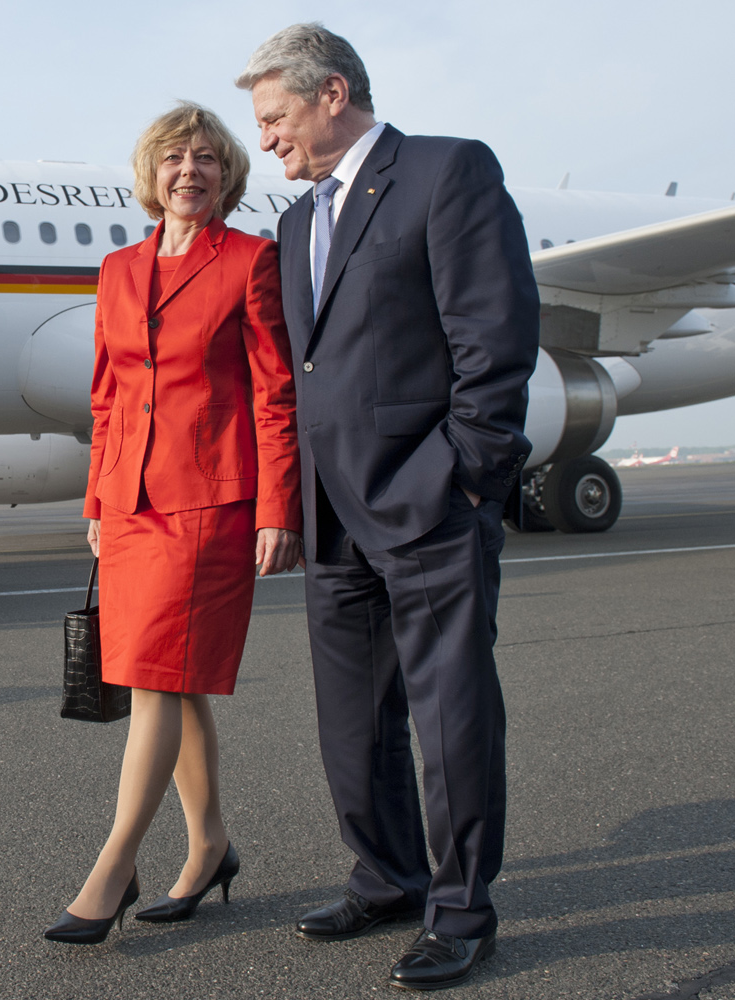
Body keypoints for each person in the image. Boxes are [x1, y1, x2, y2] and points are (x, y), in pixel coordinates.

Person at [237, 23, 538, 990]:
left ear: (332, 95)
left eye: (276, 118)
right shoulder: (294, 225)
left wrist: (463, 476)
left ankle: (461, 909)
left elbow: (493, 343)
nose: (268, 141)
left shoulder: (446, 175)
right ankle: (389, 876)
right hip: (334, 516)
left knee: (450, 718)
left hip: (428, 500)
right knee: (350, 724)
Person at [44, 102, 301, 945]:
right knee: (173, 678)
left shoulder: (252, 262)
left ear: (227, 174)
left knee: (154, 679)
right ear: (152, 175)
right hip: (129, 502)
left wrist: (278, 507)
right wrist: (95, 498)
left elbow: (275, 393)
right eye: (174, 159)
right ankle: (211, 846)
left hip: (207, 503)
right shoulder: (119, 269)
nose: (189, 171)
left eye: (207, 159)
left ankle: (113, 865)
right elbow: (108, 393)